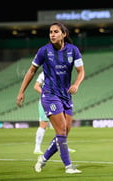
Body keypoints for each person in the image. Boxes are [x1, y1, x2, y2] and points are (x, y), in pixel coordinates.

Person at [16, 22, 85, 174]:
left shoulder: (73, 50)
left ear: (63, 34)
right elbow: (31, 71)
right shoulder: (44, 51)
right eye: (50, 32)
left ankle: (43, 158)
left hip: (66, 96)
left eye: (55, 32)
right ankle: (68, 166)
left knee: (65, 132)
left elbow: (81, 71)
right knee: (61, 130)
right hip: (50, 95)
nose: (52, 34)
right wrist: (21, 92)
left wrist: (76, 84)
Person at [33, 71, 76, 155]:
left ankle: (63, 146)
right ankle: (37, 148)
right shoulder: (44, 73)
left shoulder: (62, 72)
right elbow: (36, 86)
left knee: (63, 126)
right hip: (47, 101)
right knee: (43, 124)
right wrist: (46, 94)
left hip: (60, 101)